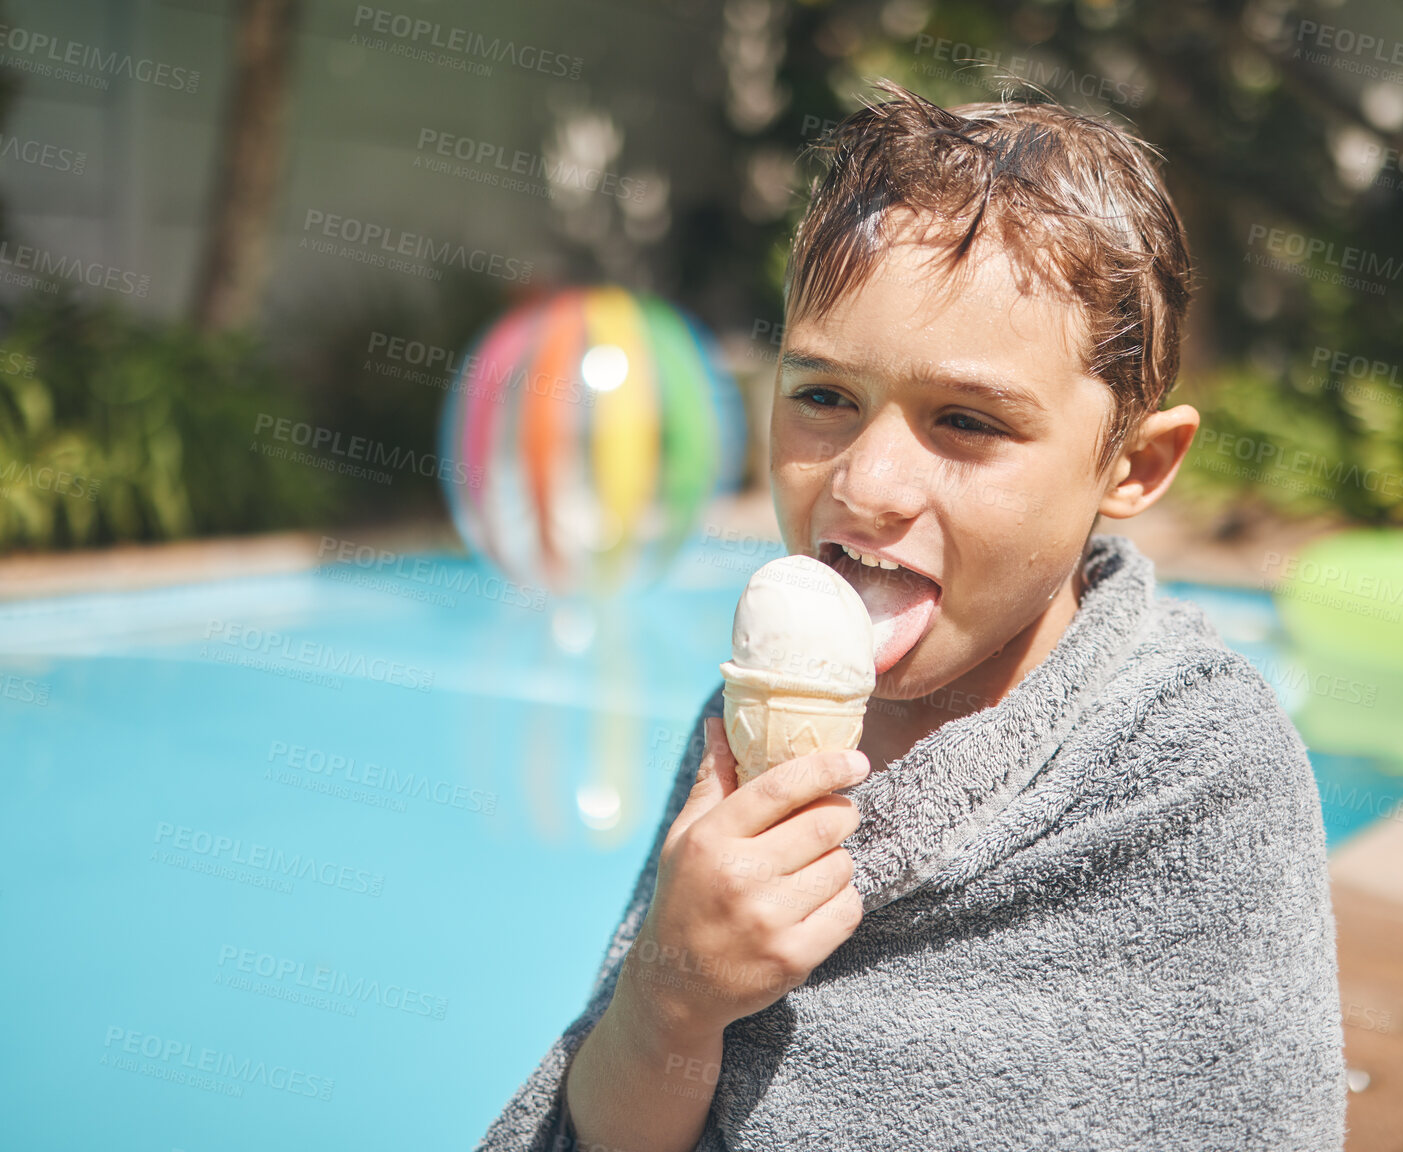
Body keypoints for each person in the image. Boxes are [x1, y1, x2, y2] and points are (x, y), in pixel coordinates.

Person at [479, 78, 1346, 1151]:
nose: (868, 483)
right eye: (825, 397)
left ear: (1133, 463)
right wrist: (671, 995)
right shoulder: (746, 727)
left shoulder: (1193, 769)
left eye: (967, 421)